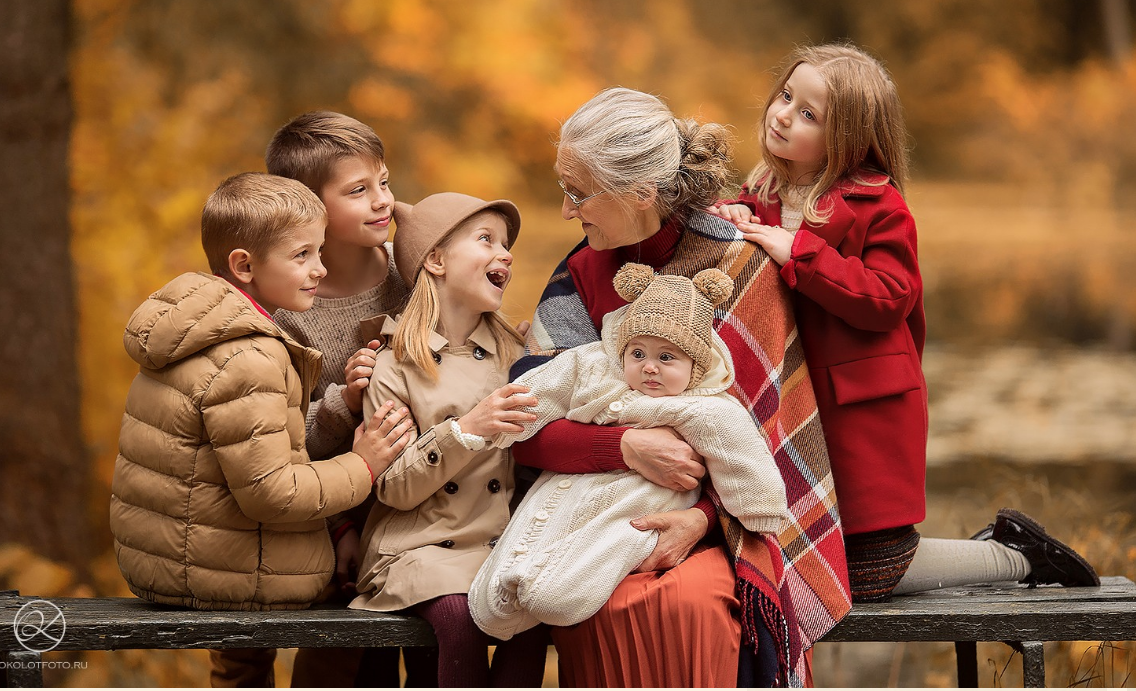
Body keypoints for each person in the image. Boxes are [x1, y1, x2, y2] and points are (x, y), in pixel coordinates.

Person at [711, 42, 1099, 602]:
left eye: (808, 115)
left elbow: (889, 296)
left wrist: (798, 253)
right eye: (787, 96)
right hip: (792, 401)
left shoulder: (880, 205)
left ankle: (1014, 555)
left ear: (849, 141)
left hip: (860, 408)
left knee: (870, 572)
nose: (783, 114)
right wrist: (734, 216)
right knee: (793, 550)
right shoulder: (764, 191)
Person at [513, 87, 851, 687]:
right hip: (591, 516)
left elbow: (762, 442)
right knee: (597, 602)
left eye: (578, 192)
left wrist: (700, 518)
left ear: (641, 192)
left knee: (693, 606)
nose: (566, 210)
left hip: (722, 522)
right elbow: (523, 433)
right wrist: (622, 448)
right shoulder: (580, 274)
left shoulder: (739, 268)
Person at [108, 173, 412, 687]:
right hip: (220, 570)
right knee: (374, 585)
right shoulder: (251, 357)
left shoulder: (194, 324)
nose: (319, 269)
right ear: (244, 265)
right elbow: (274, 492)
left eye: (319, 252)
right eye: (301, 256)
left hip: (166, 559)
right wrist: (364, 463)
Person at [470, 263, 789, 641]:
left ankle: (575, 577)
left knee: (562, 588)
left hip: (639, 501)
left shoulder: (708, 409)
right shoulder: (595, 370)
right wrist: (509, 420)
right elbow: (547, 386)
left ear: (695, 367)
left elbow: (744, 458)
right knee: (494, 602)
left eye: (667, 358)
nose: (649, 367)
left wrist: (761, 511)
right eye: (638, 353)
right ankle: (508, 590)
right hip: (569, 486)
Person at [350, 192, 549, 688]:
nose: (505, 254)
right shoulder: (394, 365)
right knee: (457, 616)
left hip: (498, 546)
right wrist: (467, 431)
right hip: (418, 547)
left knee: (530, 621)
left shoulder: (515, 355)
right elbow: (392, 487)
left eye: (506, 245)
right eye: (486, 240)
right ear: (435, 260)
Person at [264, 110, 423, 688]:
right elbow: (284, 442)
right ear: (309, 208)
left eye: (384, 181)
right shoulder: (290, 310)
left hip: (429, 504)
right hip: (336, 519)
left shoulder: (415, 271)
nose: (382, 200)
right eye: (358, 190)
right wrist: (343, 403)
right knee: (346, 663)